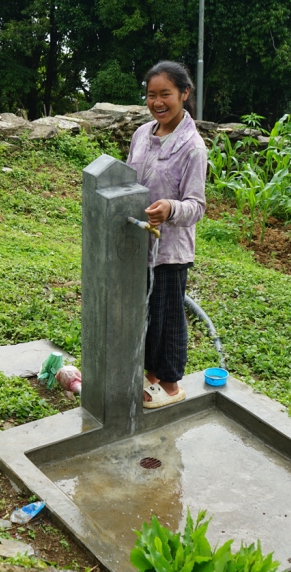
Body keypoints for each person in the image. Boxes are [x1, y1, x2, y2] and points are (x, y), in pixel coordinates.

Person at [125, 61, 207, 409]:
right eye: (151, 95)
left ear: (184, 95)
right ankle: (151, 377)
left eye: (166, 94)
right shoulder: (142, 134)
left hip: (170, 251)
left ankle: (171, 385)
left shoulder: (192, 147)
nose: (157, 102)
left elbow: (197, 206)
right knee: (144, 315)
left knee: (168, 317)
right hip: (138, 244)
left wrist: (171, 209)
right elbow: (128, 179)